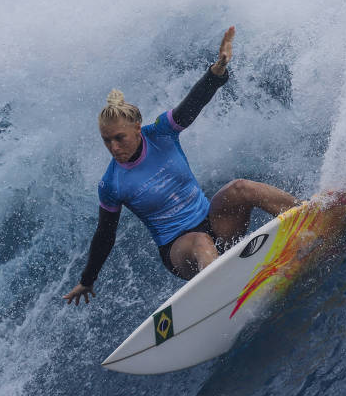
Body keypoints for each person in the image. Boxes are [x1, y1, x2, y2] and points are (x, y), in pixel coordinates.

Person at [63, 26, 298, 306]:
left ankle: (309, 216)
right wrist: (87, 280)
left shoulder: (160, 133)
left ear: (137, 128)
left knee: (240, 188)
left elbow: (192, 105)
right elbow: (105, 235)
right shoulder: (112, 183)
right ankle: (226, 298)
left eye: (119, 138)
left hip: (215, 224)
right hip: (179, 250)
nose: (114, 147)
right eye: (106, 141)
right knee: (201, 242)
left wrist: (218, 69)